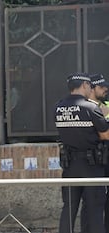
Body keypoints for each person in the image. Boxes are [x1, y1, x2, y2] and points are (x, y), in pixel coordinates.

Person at [55, 73, 109, 233]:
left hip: (70, 165)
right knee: (95, 209)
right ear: (85, 85)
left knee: (69, 209)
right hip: (92, 166)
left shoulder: (58, 107)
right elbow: (105, 135)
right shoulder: (90, 108)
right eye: (90, 86)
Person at [79, 73, 109, 233]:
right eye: (102, 87)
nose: (106, 89)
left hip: (106, 156)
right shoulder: (84, 107)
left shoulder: (106, 105)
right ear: (92, 88)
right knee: (91, 200)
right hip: (94, 159)